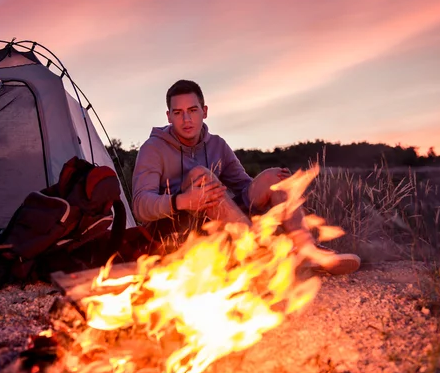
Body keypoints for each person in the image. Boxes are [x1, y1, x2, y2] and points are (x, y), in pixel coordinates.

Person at [132, 79, 360, 275]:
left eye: (192, 110)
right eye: (178, 113)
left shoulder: (217, 145)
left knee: (273, 177)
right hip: (176, 233)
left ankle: (308, 250)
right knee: (200, 176)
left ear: (205, 111)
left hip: (218, 225)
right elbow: (140, 206)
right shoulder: (153, 149)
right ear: (169, 116)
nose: (186, 119)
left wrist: (278, 187)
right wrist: (182, 201)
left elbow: (245, 191)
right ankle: (257, 251)